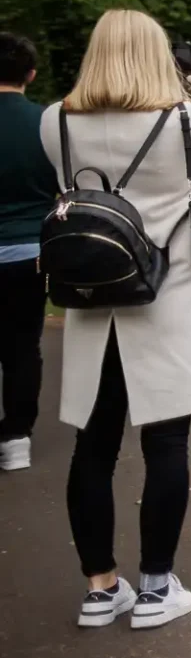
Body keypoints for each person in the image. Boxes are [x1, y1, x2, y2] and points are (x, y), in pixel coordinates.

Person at [40, 9, 191, 629]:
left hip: (93, 299)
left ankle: (101, 588)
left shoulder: (55, 121)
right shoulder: (182, 120)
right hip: (168, 298)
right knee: (166, 443)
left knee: (93, 447)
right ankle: (158, 587)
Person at [0, 32, 59, 472]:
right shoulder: (47, 125)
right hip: (29, 251)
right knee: (23, 346)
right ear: (31, 74)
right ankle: (16, 436)